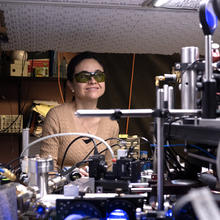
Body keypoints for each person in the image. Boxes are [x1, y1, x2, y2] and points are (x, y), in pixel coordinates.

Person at [40, 52, 119, 173]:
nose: (93, 81)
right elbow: (47, 169)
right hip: (61, 190)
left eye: (98, 76)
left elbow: (111, 169)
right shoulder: (56, 116)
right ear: (71, 84)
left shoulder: (110, 121)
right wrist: (68, 177)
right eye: (83, 76)